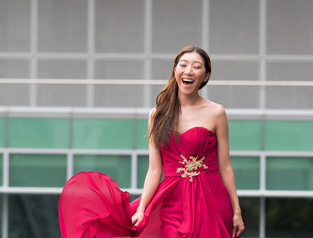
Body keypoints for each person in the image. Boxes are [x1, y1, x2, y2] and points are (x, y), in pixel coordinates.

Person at [59, 46, 245, 238]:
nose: (189, 70)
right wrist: (142, 208)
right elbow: (155, 170)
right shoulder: (158, 115)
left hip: (212, 199)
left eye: (197, 67)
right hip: (174, 202)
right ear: (175, 71)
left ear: (206, 76)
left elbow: (225, 165)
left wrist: (237, 211)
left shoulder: (216, 112)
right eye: (183, 65)